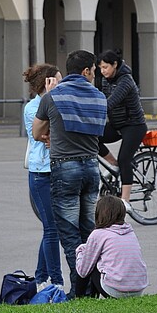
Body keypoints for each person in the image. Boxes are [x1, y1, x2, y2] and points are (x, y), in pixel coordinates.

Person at [33, 49, 108, 299]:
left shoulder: (54, 96)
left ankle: (79, 291)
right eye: (94, 71)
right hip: (91, 167)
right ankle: (93, 288)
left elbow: (36, 132)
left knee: (69, 233)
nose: (95, 75)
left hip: (65, 167)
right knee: (89, 230)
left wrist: (52, 136)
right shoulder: (99, 97)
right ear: (86, 71)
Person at [23, 63, 65, 293]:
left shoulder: (58, 101)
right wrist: (51, 98)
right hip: (40, 173)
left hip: (58, 169)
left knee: (53, 227)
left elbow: (60, 133)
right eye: (58, 80)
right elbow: (41, 135)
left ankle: (41, 277)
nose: (62, 84)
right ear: (47, 83)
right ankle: (56, 281)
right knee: (52, 228)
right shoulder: (32, 107)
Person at [96, 49, 148, 209]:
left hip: (134, 125)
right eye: (100, 68)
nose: (103, 71)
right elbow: (102, 99)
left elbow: (110, 102)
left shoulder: (126, 81)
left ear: (115, 65)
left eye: (105, 67)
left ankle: (125, 201)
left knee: (125, 158)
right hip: (117, 124)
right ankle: (114, 164)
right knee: (92, 137)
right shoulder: (106, 80)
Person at [75, 195, 148, 298]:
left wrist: (80, 251)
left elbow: (83, 271)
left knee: (87, 261)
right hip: (138, 289)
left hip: (115, 290)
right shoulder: (130, 232)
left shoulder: (98, 234)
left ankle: (80, 299)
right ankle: (89, 298)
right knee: (98, 261)